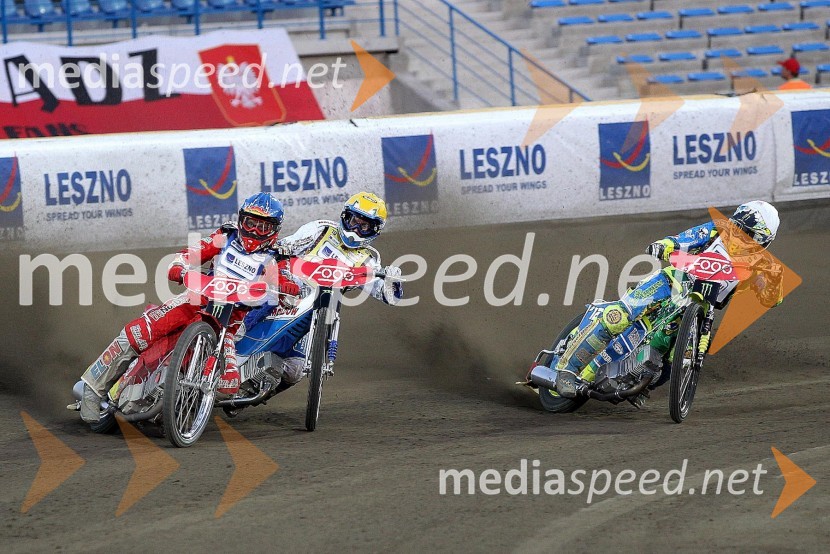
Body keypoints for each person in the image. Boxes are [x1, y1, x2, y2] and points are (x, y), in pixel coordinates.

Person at [79, 192, 300, 423]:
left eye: (263, 226)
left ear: (274, 230)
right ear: (241, 219)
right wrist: (180, 265)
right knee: (143, 331)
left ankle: (185, 405)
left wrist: (288, 289)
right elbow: (193, 252)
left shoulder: (277, 258)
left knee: (229, 382)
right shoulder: (225, 237)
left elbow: (286, 284)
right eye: (251, 223)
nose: (254, 231)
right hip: (195, 302)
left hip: (230, 322)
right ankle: (93, 389)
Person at [554, 201, 783, 401]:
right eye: (736, 224)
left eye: (744, 231)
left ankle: (635, 378)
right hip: (672, 281)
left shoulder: (764, 266)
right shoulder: (717, 230)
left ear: (761, 240)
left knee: (673, 363)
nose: (736, 232)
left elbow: (774, 298)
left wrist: (769, 288)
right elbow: (685, 239)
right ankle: (566, 370)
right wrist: (665, 245)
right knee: (619, 316)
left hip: (702, 306)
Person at [239, 191, 404, 395]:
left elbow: (388, 296)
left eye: (364, 226)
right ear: (345, 217)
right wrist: (284, 252)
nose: (355, 229)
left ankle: (253, 392)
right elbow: (286, 245)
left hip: (316, 314)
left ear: (374, 230)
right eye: (353, 221)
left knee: (295, 371)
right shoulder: (321, 229)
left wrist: (393, 280)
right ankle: (237, 327)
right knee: (261, 303)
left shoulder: (369, 259)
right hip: (287, 287)